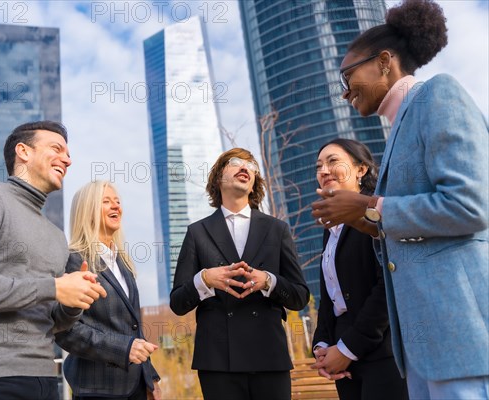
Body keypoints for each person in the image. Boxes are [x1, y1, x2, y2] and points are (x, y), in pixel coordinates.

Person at [311, 1, 488, 398]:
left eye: (348, 75)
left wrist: (369, 208)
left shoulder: (439, 94)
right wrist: (366, 223)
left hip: (460, 337)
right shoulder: (396, 132)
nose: (343, 93)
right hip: (420, 353)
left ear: (385, 62)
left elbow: (471, 205)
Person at [0, 121, 107, 400]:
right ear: (23, 151)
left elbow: (50, 320)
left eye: (68, 153)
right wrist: (53, 287)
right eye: (57, 148)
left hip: (43, 379)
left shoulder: (56, 235)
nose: (68, 159)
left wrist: (73, 303)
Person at [170, 148, 310, 400]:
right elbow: (178, 303)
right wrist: (205, 280)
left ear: (255, 180)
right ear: (217, 178)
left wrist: (268, 281)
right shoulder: (197, 232)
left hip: (269, 357)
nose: (245, 167)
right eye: (235, 162)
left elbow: (299, 297)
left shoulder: (277, 229)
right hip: (218, 361)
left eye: (251, 165)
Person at [311, 139, 408, 400]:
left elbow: (388, 286)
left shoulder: (375, 216)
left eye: (333, 161)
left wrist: (347, 349)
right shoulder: (330, 229)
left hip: (381, 351)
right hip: (344, 360)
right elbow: (329, 296)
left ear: (361, 170)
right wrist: (321, 346)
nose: (324, 170)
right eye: (319, 166)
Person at [55, 181, 161, 400]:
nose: (116, 207)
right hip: (98, 389)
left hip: (137, 387)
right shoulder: (74, 261)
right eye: (106, 202)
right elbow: (67, 331)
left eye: (118, 202)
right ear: (88, 210)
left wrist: (150, 379)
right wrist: (123, 348)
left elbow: (134, 328)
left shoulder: (124, 264)